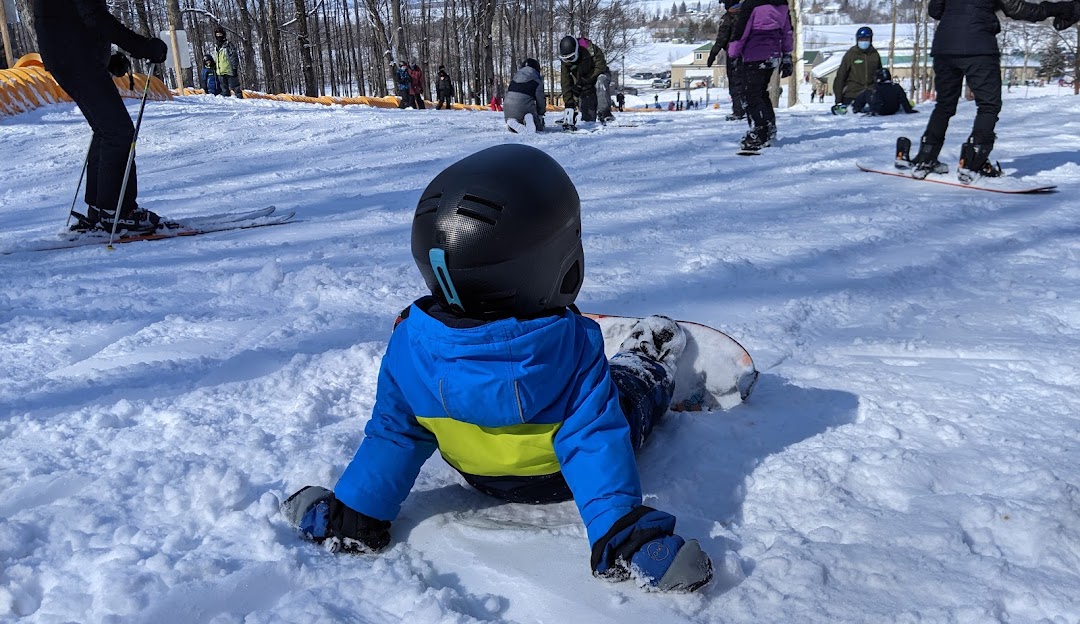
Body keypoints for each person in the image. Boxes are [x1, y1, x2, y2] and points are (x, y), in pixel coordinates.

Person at [281, 143, 714, 594]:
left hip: (480, 477)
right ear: (561, 266)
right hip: (557, 478)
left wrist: (352, 515)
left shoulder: (409, 345)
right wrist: (627, 537)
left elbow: (395, 434)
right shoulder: (572, 350)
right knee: (628, 396)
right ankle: (648, 361)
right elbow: (593, 442)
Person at [33, 0, 171, 234]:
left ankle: (100, 209)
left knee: (108, 131)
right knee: (119, 133)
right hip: (75, 58)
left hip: (72, 56)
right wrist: (142, 47)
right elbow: (94, 16)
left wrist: (107, 57)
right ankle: (117, 211)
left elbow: (75, 17)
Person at [903, 0, 1080, 181]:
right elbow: (1018, 9)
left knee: (944, 105)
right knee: (988, 105)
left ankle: (926, 157)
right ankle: (973, 163)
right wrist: (1058, 9)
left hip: (945, 47)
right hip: (978, 48)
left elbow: (935, 10)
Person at [727, 0, 794, 150]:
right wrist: (787, 55)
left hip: (754, 55)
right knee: (761, 93)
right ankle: (769, 128)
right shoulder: (782, 5)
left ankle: (760, 132)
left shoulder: (752, 5)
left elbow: (741, 32)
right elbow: (787, 31)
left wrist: (733, 53)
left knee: (751, 95)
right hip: (773, 55)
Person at [558, 35, 614, 125]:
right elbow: (565, 82)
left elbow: (601, 66)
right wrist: (569, 104)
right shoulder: (566, 63)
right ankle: (587, 117)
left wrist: (585, 80)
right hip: (583, 84)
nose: (569, 61)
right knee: (588, 119)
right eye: (566, 59)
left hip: (597, 75)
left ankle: (605, 114)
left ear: (576, 51)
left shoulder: (591, 50)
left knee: (601, 80)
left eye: (571, 58)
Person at [706, 0, 747, 121]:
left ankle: (739, 111)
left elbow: (722, 38)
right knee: (747, 82)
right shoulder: (748, 14)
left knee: (735, 82)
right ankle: (748, 108)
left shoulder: (728, 17)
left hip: (734, 53)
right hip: (750, 53)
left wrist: (713, 53)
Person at [832, 27, 880, 114]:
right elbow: (840, 76)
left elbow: (880, 74)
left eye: (866, 39)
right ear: (857, 40)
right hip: (853, 93)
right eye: (861, 39)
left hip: (871, 93)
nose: (864, 41)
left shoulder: (874, 55)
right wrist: (838, 100)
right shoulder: (851, 54)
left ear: (871, 39)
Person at [504, 58, 546, 133]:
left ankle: (512, 122)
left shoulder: (514, 79)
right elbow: (541, 100)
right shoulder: (537, 81)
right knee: (539, 127)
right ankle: (529, 118)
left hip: (507, 108)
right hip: (524, 108)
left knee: (513, 124)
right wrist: (540, 113)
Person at [212, 25, 242, 98]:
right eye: (217, 35)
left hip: (230, 71)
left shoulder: (228, 45)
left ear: (224, 35)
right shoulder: (216, 47)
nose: (219, 37)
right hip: (220, 71)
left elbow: (234, 57)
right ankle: (227, 102)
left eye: (220, 35)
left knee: (235, 88)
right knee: (224, 90)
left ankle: (240, 100)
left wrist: (234, 68)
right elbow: (216, 58)